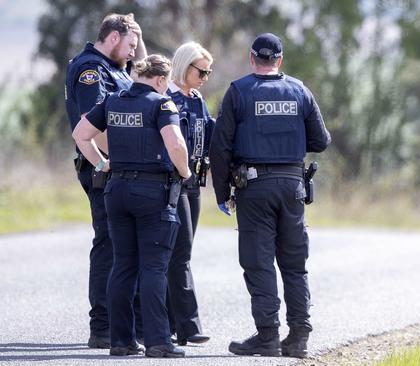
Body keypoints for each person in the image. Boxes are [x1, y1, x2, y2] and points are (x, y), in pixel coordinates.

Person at [209, 33, 331, 358]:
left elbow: (219, 147)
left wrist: (222, 193)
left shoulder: (238, 92)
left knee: (259, 261)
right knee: (294, 264)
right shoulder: (299, 90)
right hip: (293, 187)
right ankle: (299, 336)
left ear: (252, 58)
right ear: (280, 60)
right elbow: (321, 140)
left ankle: (267, 336)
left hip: (254, 188)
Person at [72, 54, 191, 358]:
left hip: (117, 190)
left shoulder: (112, 100)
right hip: (152, 193)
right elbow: (176, 144)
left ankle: (121, 340)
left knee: (123, 266)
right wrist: (186, 172)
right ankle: (158, 342)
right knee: (153, 267)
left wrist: (102, 163)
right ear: (161, 80)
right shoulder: (161, 104)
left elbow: (80, 134)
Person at [64, 13, 147, 349]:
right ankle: (101, 326)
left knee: (128, 245)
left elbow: (149, 77)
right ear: (113, 37)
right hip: (103, 167)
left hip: (125, 167)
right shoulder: (90, 69)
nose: (133, 52)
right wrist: (124, 156)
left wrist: (138, 42)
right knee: (109, 244)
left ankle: (127, 324)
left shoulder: (119, 67)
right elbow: (92, 123)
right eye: (130, 45)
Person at [165, 41, 214, 346]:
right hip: (172, 182)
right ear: (185, 66)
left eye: (209, 72)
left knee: (181, 253)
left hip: (194, 182)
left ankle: (170, 323)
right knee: (179, 255)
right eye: (202, 71)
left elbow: (210, 134)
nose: (205, 77)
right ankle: (189, 326)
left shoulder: (197, 100)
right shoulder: (165, 98)